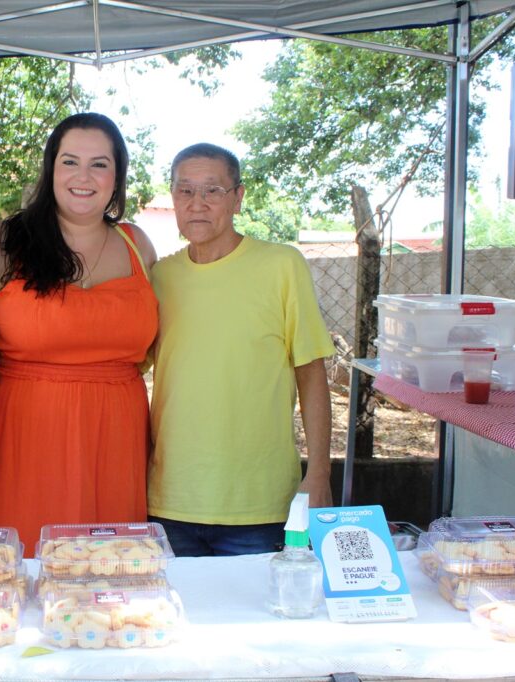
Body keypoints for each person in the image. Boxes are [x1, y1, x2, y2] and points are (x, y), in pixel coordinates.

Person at [0, 112, 158, 555]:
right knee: (23, 569)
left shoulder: (138, 245)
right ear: (51, 169)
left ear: (117, 176)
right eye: (70, 161)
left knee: (106, 577)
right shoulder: (3, 242)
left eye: (99, 164)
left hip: (117, 440)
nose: (83, 176)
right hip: (25, 436)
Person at [147, 143, 335, 557]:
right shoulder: (160, 277)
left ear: (238, 197)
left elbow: (311, 373)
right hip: (169, 500)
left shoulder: (281, 266)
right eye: (185, 191)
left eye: (212, 191)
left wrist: (318, 472)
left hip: (260, 505)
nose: (197, 204)